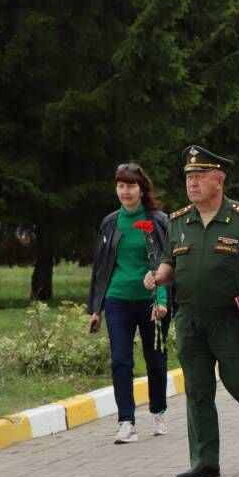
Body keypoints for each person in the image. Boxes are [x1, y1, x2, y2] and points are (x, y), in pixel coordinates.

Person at [144, 146, 239, 477]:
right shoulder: (178, 222)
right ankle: (205, 459)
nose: (193, 183)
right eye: (189, 177)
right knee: (198, 389)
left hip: (230, 318)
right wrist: (159, 276)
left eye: (200, 176)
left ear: (219, 180)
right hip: (190, 318)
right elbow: (169, 263)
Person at [87, 163, 171, 444]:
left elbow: (165, 263)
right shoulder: (110, 223)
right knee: (121, 360)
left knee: (155, 360)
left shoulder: (158, 220)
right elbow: (100, 267)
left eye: (131, 185)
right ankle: (126, 422)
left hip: (151, 301)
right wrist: (95, 309)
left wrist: (161, 300)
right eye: (121, 186)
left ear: (141, 188)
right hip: (118, 299)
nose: (125, 191)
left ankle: (158, 411)